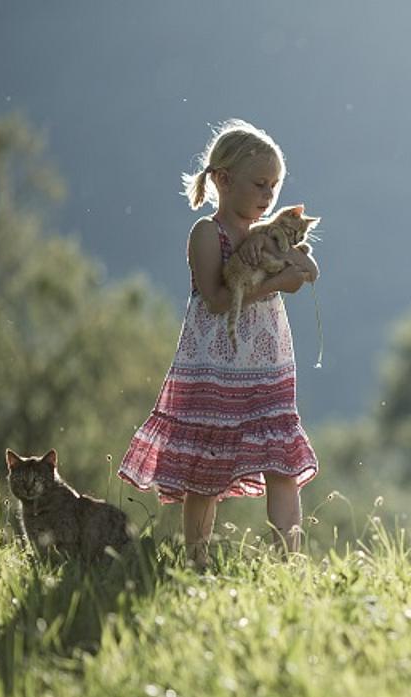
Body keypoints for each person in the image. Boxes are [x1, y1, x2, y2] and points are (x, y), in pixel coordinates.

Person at [119, 119, 320, 567]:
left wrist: (297, 267)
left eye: (275, 186)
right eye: (260, 184)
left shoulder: (266, 235)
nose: (269, 196)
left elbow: (293, 266)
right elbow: (214, 299)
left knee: (281, 463)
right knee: (206, 468)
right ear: (223, 181)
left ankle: (288, 564)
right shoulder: (208, 234)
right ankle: (197, 560)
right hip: (215, 364)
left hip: (266, 362)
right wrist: (277, 283)